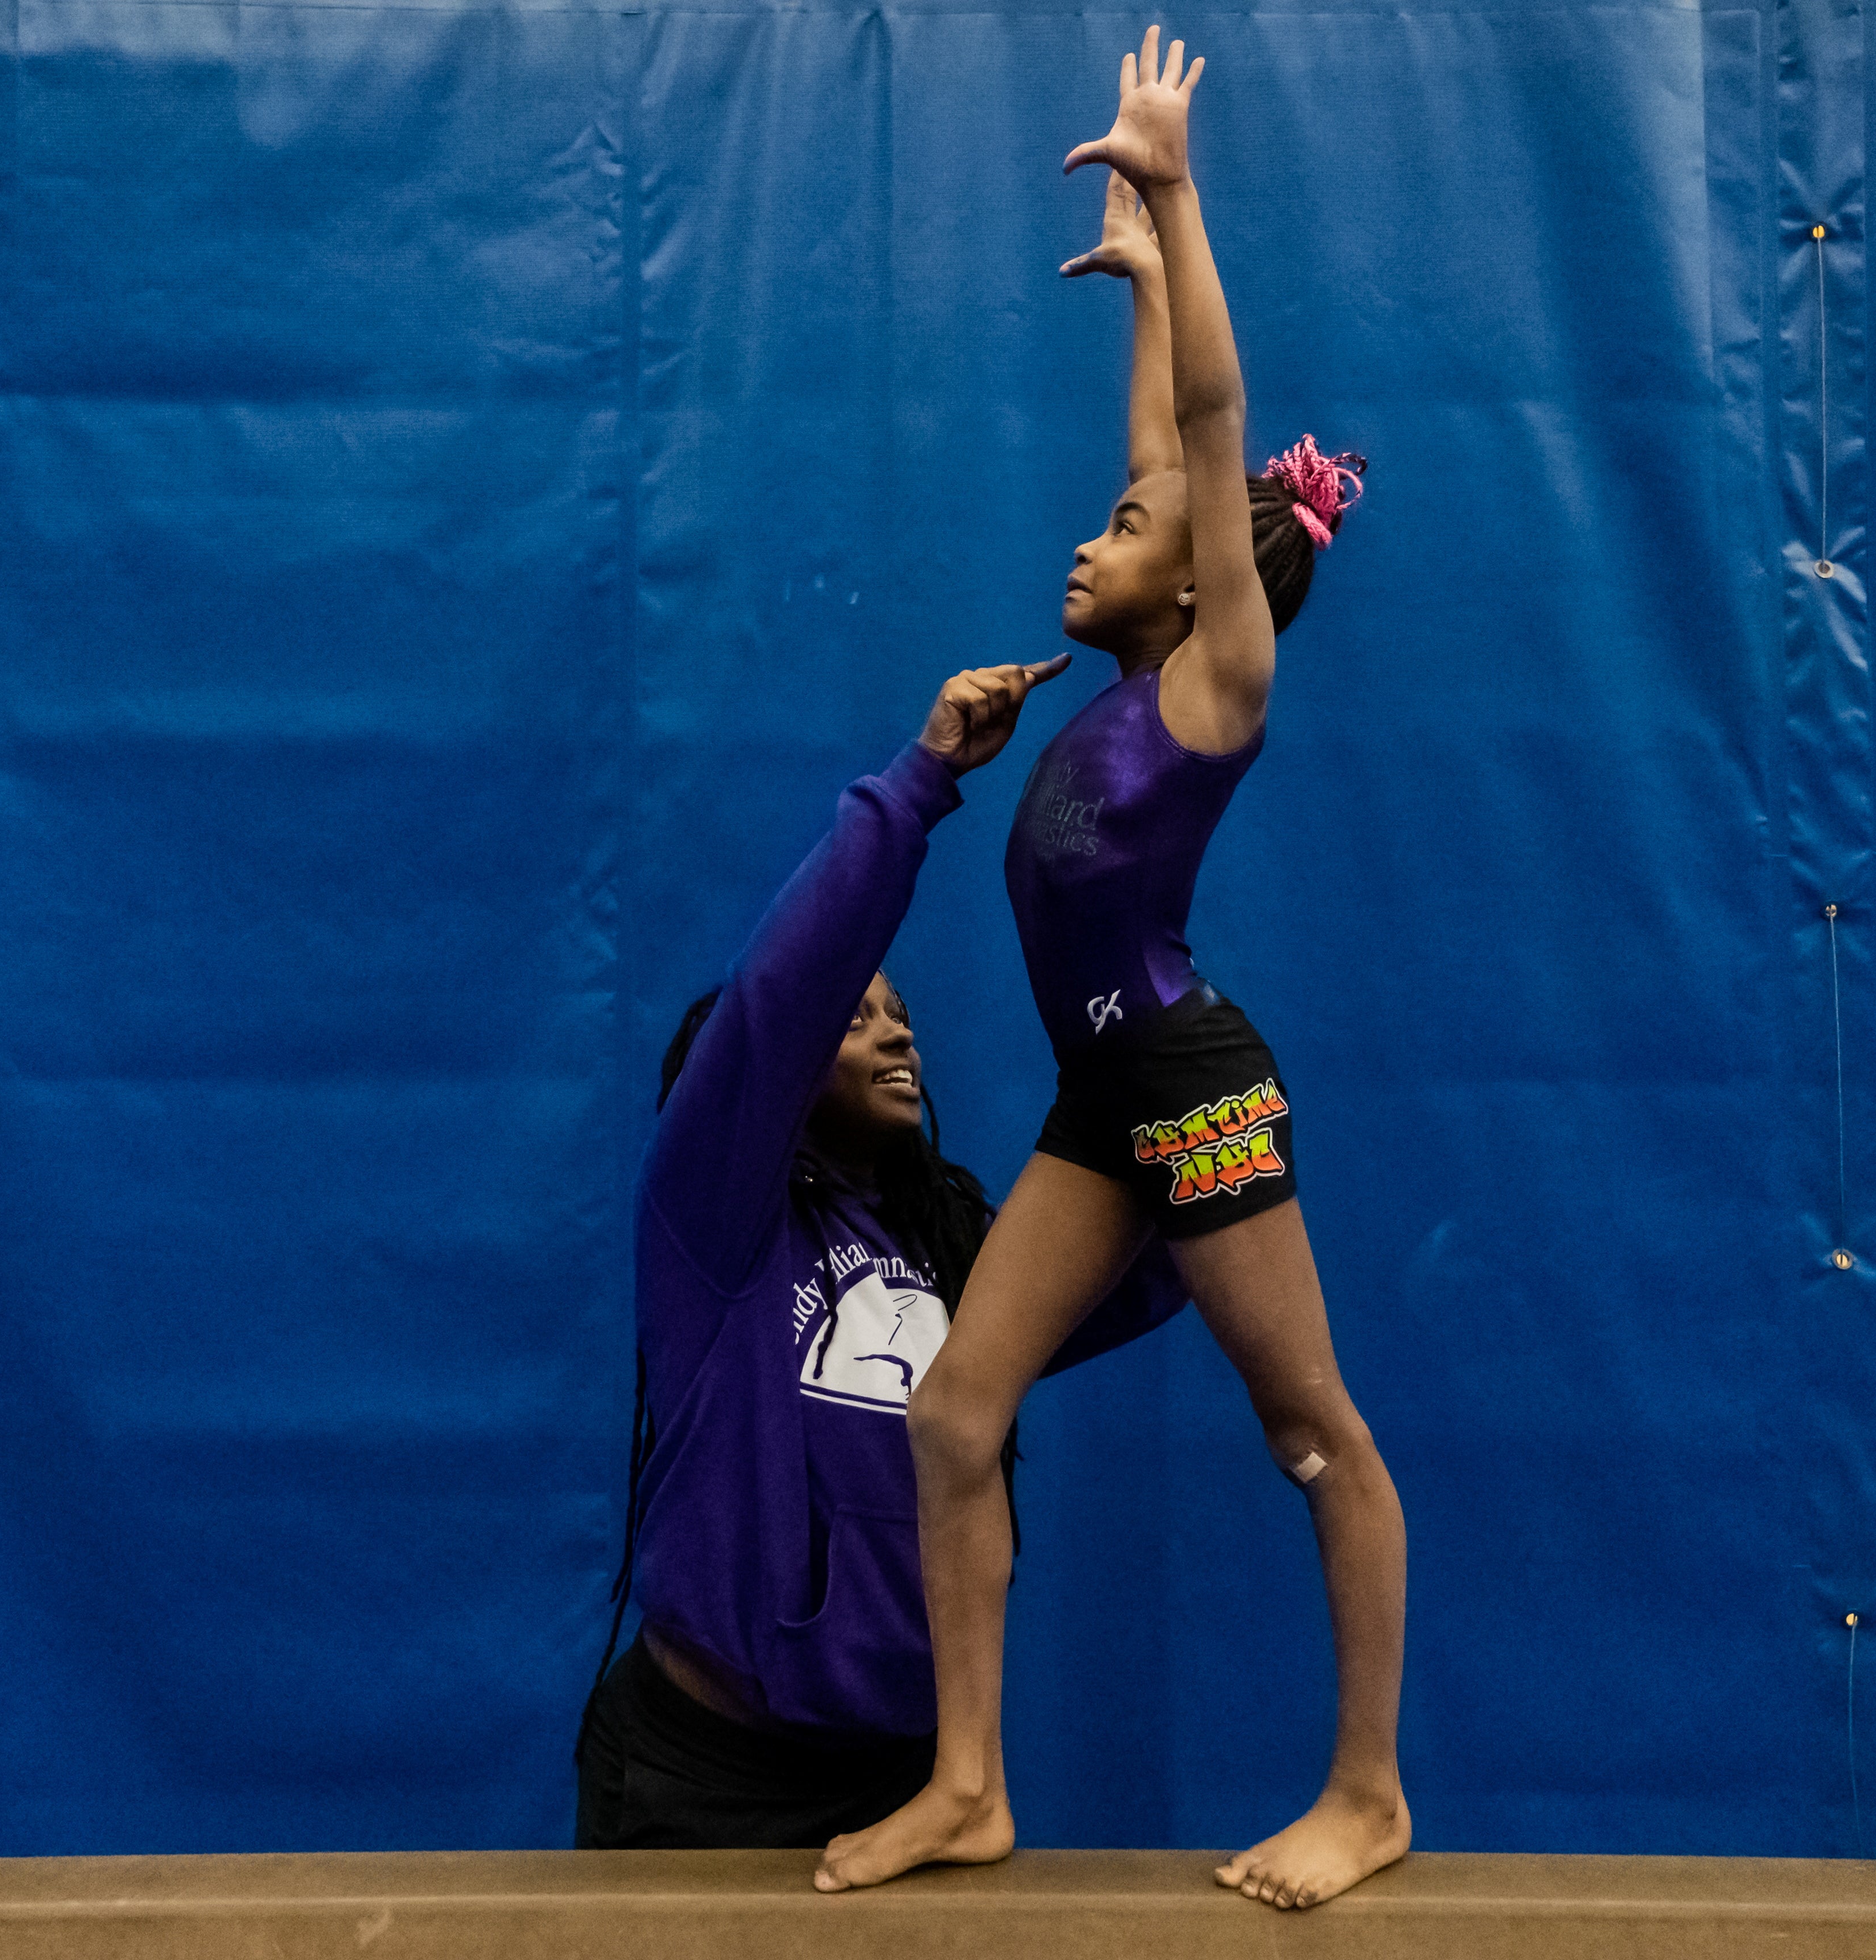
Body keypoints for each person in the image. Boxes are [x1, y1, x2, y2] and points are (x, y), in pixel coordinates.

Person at [813, 30, 1408, 1911]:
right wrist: (1140, 283)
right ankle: (969, 1780)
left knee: (1310, 1430)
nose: (1092, 527)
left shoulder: (1216, 680)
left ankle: (1369, 1790)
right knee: (954, 1409)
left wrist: (1176, 190)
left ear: (1199, 582)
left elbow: (1212, 447)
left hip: (1187, 1084)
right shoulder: (1145, 638)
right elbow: (1171, 447)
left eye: (1121, 530)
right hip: (1101, 1093)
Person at [576, 656, 1188, 1849]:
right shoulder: (713, 1223)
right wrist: (920, 784)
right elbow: (780, 991)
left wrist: (1184, 1061)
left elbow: (1158, 1264)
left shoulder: (949, 1253)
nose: (891, 1024)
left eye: (898, 1012)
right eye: (854, 1016)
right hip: (706, 1777)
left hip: (909, 1780)